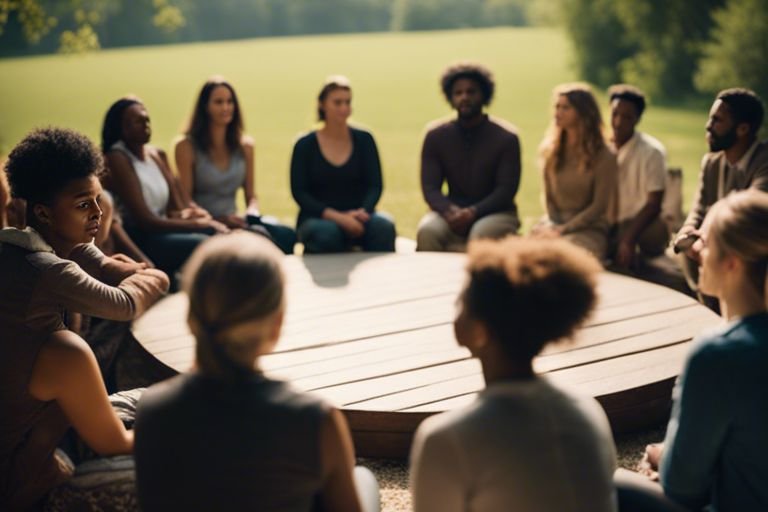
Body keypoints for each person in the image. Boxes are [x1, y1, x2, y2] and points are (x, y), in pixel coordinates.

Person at [134, 232, 379, 511]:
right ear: (276, 326)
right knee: (362, 478)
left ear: (190, 318)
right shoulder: (315, 419)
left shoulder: (153, 411)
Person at [0, 127, 169, 509]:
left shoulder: (19, 248)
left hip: (44, 429)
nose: (97, 213)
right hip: (24, 471)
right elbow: (127, 302)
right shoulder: (47, 272)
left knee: (163, 402)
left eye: (97, 200)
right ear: (43, 211)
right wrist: (152, 276)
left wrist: (133, 274)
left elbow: (106, 266)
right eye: (82, 204)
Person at [410, 236, 617, 512]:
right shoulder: (588, 411)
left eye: (461, 301)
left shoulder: (447, 439)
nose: (455, 308)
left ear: (481, 332)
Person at [640, 190, 768, 511]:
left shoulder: (718, 355)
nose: (696, 250)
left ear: (732, 264)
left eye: (705, 243)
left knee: (609, 483)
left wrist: (663, 455)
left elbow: (682, 488)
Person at [102, 96, 228, 286]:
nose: (145, 124)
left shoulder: (155, 154)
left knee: (220, 234)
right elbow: (146, 221)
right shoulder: (117, 157)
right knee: (205, 242)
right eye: (138, 121)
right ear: (122, 128)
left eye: (147, 119)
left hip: (165, 229)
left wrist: (196, 216)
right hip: (143, 238)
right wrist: (199, 224)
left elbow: (176, 206)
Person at [176, 76, 296, 254]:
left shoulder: (245, 146)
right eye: (218, 102)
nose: (225, 107)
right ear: (205, 107)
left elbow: (251, 195)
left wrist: (251, 213)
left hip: (237, 221)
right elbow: (185, 202)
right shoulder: (186, 146)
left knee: (287, 236)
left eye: (229, 102)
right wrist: (217, 220)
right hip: (205, 224)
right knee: (260, 240)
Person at [416, 62, 521, 252]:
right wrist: (449, 211)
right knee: (428, 230)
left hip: (496, 213)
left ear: (484, 95)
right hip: (450, 212)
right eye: (458, 93)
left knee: (480, 234)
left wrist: (474, 212)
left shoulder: (506, 138)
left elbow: (505, 191)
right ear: (450, 97)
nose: (464, 97)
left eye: (471, 92)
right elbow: (430, 188)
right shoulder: (435, 136)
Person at [674, 88, 768, 292]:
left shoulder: (764, 162)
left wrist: (705, 238)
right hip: (718, 245)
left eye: (717, 120)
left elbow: (746, 212)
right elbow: (699, 208)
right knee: (688, 247)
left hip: (753, 249)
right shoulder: (711, 162)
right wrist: (688, 231)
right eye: (710, 118)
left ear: (742, 129)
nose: (708, 126)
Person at [290, 75, 395, 254]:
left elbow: (375, 185)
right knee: (327, 234)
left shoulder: (365, 139)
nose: (344, 108)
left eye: (348, 102)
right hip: (319, 218)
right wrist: (338, 217)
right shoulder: (305, 145)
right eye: (337, 103)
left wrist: (363, 212)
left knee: (384, 226)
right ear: (322, 105)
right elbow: (300, 192)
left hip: (360, 216)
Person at [532, 83, 618, 260]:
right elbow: (549, 199)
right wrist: (553, 226)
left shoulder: (605, 155)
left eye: (565, 108)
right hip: (554, 223)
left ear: (583, 112)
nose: (558, 112)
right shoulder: (550, 150)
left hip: (589, 229)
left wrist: (564, 230)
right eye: (557, 106)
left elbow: (599, 206)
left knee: (561, 258)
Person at [607, 84, 669, 269]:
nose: (618, 122)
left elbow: (653, 204)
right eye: (614, 114)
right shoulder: (599, 147)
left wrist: (628, 239)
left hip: (642, 224)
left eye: (626, 117)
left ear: (638, 119)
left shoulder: (652, 152)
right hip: (607, 223)